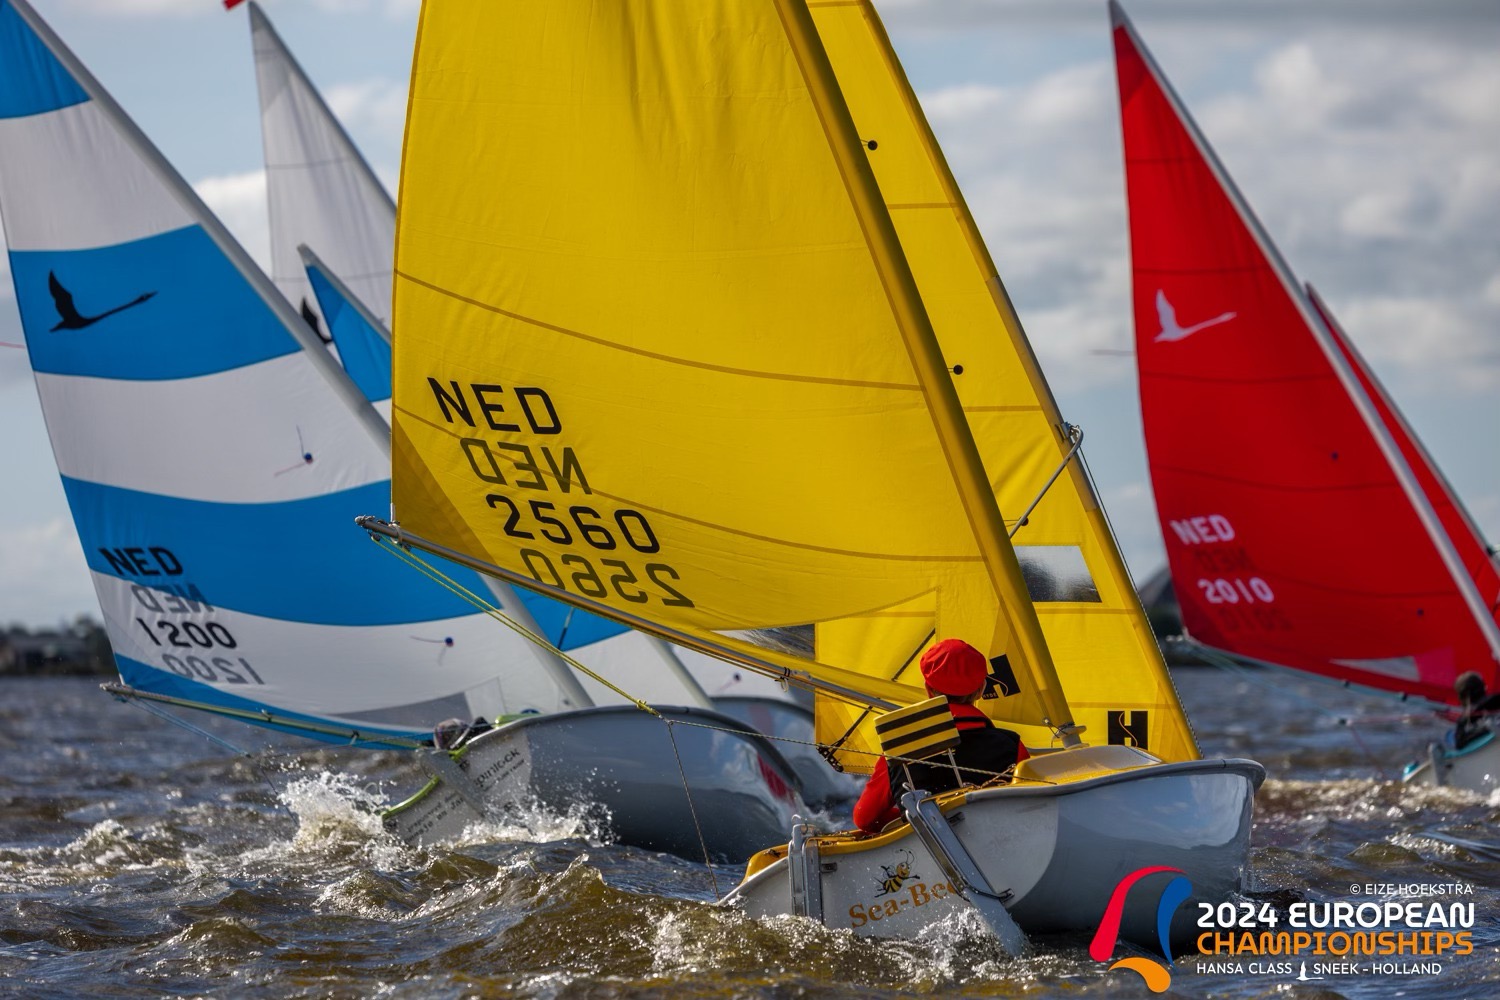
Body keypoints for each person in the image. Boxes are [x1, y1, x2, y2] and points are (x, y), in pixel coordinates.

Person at [852, 638, 1029, 833]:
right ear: (980, 690)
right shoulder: (1012, 745)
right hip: (1002, 843)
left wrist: (909, 818)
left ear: (929, 690)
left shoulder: (899, 748)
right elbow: (1030, 805)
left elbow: (865, 819)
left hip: (933, 850)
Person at [1453, 672, 1500, 750]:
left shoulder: (1463, 720)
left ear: (1462, 697)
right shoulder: (1497, 698)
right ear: (1482, 686)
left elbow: (1459, 745)